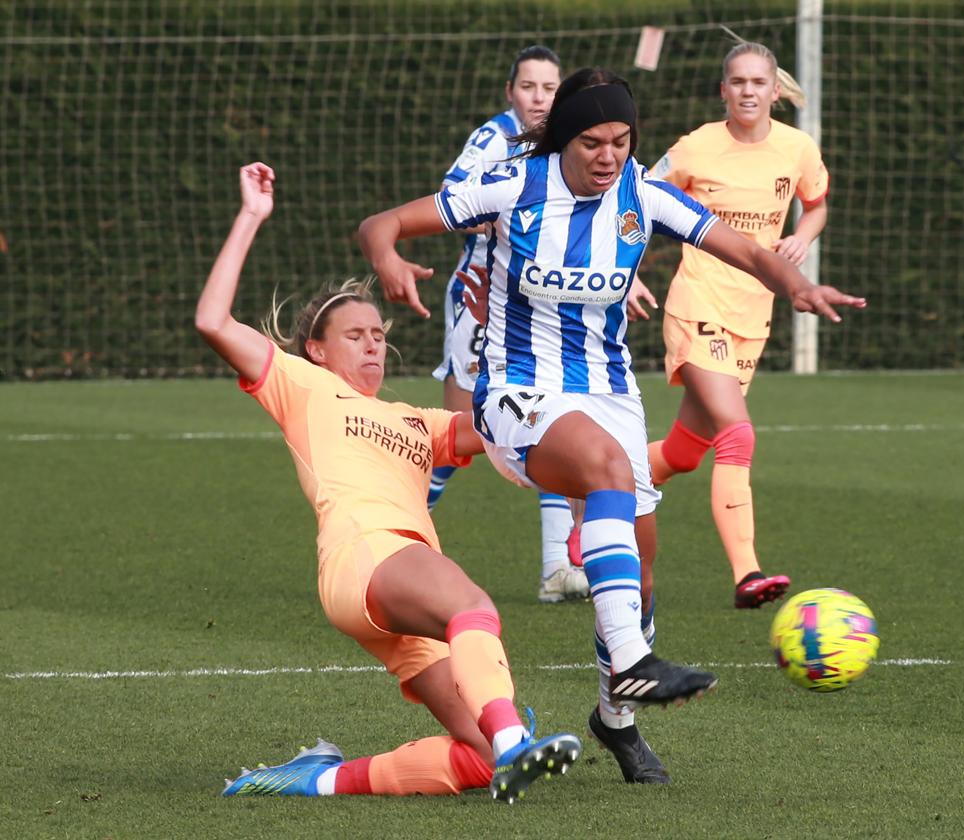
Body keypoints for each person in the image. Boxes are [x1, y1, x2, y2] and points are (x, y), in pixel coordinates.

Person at [358, 68, 865, 784]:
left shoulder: (644, 195)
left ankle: (615, 720)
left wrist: (799, 284)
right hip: (515, 391)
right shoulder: (511, 187)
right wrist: (387, 256)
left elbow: (748, 251)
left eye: (622, 142)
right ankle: (632, 662)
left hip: (610, 394)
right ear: (564, 138)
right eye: (593, 142)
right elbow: (382, 223)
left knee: (641, 574)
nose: (608, 157)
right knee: (602, 468)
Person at [196, 162, 580, 804]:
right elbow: (212, 321)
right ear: (317, 350)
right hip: (366, 554)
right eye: (355, 334)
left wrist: (506, 331)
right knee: (472, 609)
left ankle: (315, 780)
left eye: (379, 334)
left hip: (390, 589)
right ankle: (516, 740)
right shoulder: (301, 382)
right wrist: (250, 218)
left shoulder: (414, 421)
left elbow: (498, 422)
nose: (373, 345)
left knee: (477, 760)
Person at [646, 40, 832, 610]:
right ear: (723, 90)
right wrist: (625, 272)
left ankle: (593, 493)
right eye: (738, 82)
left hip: (754, 314)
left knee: (684, 452)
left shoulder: (797, 148)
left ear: (775, 91)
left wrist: (804, 233)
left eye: (758, 82)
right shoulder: (694, 149)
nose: (748, 91)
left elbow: (818, 202)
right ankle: (748, 572)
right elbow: (637, 203)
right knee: (738, 432)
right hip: (698, 303)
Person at [425, 46, 589, 606]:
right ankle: (391, 537)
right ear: (510, 92)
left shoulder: (570, 141)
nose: (539, 97)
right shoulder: (493, 139)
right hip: (481, 296)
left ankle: (555, 571)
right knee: (453, 437)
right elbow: (452, 200)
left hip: (541, 305)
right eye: (529, 87)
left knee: (553, 422)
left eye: (549, 87)